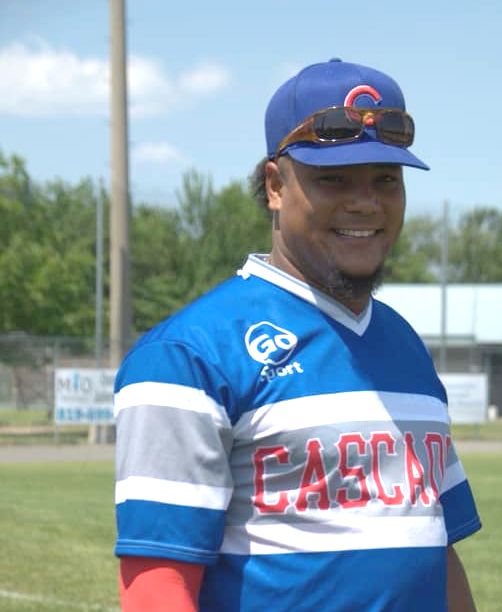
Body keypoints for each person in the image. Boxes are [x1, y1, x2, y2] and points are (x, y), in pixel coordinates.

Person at [114, 58, 481, 612]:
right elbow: (157, 585)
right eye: (334, 179)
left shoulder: (405, 344)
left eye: (386, 179)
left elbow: (437, 547)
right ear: (275, 186)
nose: (366, 202)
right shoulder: (188, 354)